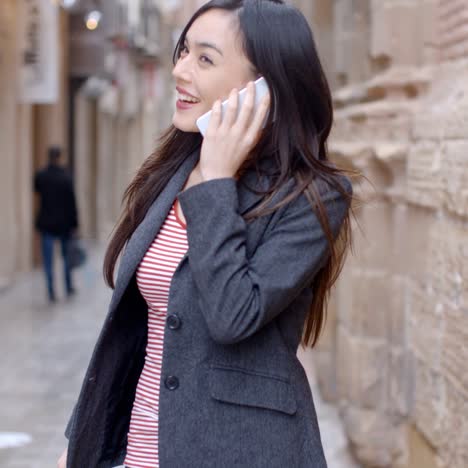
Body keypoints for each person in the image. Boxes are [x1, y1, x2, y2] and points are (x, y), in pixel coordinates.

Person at [58, 1, 354, 467]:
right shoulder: (174, 169)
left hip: (240, 450)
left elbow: (233, 315)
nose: (180, 70)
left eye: (204, 58)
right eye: (182, 52)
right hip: (141, 447)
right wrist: (81, 439)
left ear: (264, 85)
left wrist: (217, 180)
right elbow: (131, 329)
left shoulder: (314, 195)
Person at [34, 146, 78, 303]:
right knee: (66, 257)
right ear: (60, 157)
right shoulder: (66, 177)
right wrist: (75, 224)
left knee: (48, 260)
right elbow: (72, 202)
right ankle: (68, 286)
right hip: (64, 224)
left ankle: (51, 290)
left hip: (46, 223)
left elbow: (36, 189)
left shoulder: (41, 175)